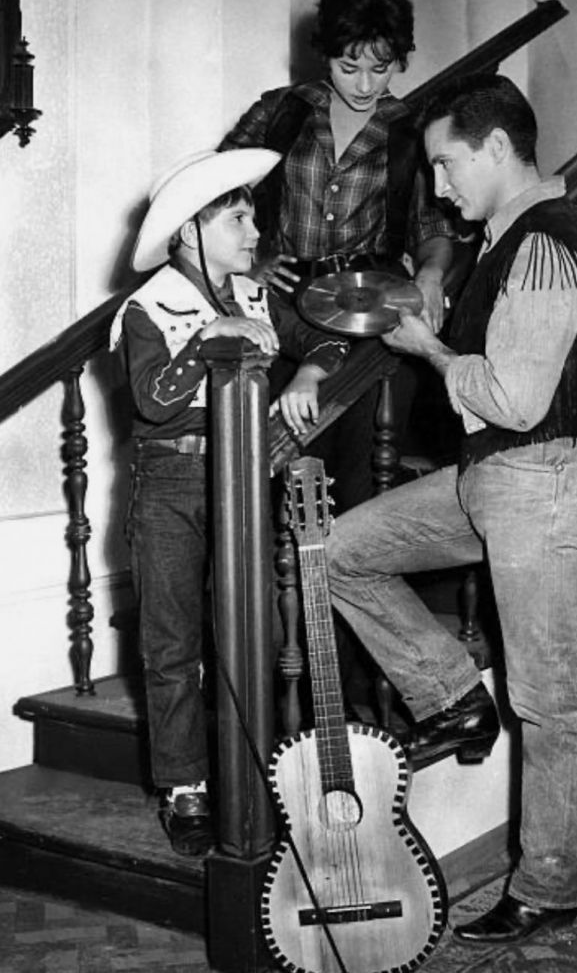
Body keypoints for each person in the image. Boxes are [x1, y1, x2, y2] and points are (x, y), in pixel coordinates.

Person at [324, 73, 577, 945]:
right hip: (492, 476)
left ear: (495, 147)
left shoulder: (546, 241)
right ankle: (455, 697)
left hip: (543, 480)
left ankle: (553, 886)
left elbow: (517, 399)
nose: (439, 186)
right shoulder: (503, 240)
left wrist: (430, 349)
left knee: (553, 703)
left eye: (447, 164)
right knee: (337, 551)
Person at [110, 148, 349, 857]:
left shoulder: (254, 295)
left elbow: (328, 339)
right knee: (172, 643)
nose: (255, 233)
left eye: (252, 217)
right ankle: (185, 786)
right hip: (170, 484)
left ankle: (249, 770)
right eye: (238, 220)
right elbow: (154, 403)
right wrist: (207, 339)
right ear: (190, 231)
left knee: (252, 632)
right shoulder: (147, 307)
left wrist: (305, 374)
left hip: (243, 476)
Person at [218, 0, 455, 512]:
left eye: (381, 67)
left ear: (399, 59)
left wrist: (431, 273)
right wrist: (248, 261)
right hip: (281, 316)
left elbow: (434, 228)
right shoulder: (280, 112)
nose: (365, 84)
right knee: (278, 479)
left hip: (371, 319)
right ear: (324, 53)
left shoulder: (411, 132)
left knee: (357, 484)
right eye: (349, 67)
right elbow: (214, 199)